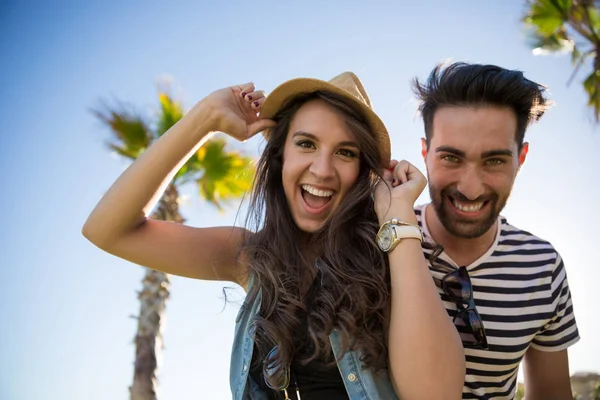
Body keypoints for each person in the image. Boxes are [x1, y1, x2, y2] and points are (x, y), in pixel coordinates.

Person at [82, 71, 465, 400]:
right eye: (306, 144)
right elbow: (107, 230)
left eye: (345, 152)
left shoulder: (395, 260)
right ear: (280, 157)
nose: (322, 169)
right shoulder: (248, 255)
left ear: (365, 174)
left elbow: (436, 394)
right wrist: (204, 119)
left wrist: (397, 217)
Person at [411, 62, 580, 399]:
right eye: (451, 158)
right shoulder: (374, 239)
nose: (471, 189)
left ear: (521, 158)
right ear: (425, 153)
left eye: (494, 161)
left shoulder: (542, 267)